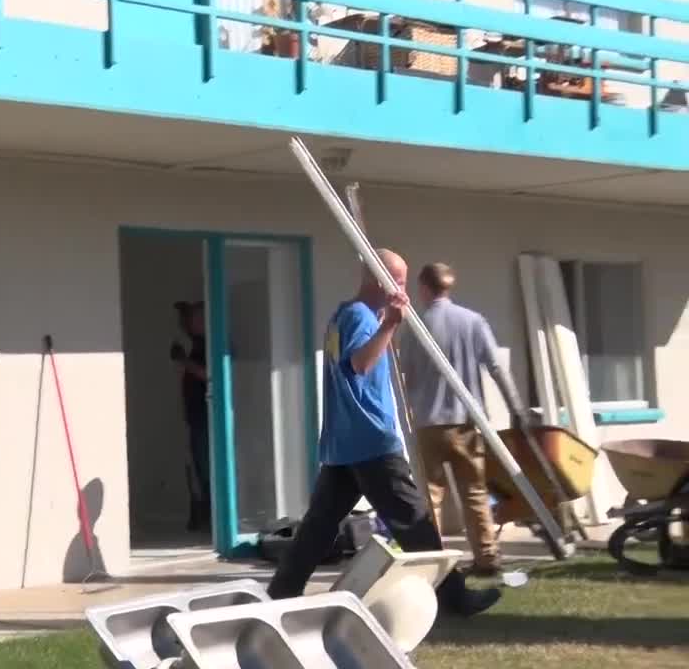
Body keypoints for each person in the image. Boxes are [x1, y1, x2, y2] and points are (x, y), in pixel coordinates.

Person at [267, 250, 501, 616]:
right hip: (372, 441)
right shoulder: (362, 318)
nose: (402, 288)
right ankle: (456, 599)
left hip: (344, 444)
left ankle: (281, 594)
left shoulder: (343, 315)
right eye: (399, 280)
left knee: (318, 527)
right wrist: (390, 324)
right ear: (380, 280)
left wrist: (386, 324)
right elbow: (360, 365)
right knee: (415, 523)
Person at [399, 262, 529, 576]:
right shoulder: (473, 322)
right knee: (474, 492)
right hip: (467, 424)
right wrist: (516, 409)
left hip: (428, 423)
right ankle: (487, 558)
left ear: (424, 288)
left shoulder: (414, 326)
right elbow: (496, 367)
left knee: (430, 496)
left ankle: (431, 561)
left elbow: (406, 378)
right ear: (449, 286)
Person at [171, 300, 210, 532]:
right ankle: (203, 515)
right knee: (197, 466)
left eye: (192, 317)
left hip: (207, 417)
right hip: (195, 416)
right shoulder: (196, 343)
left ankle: (211, 518)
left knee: (206, 468)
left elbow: (209, 374)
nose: (187, 322)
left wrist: (184, 361)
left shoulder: (210, 344)